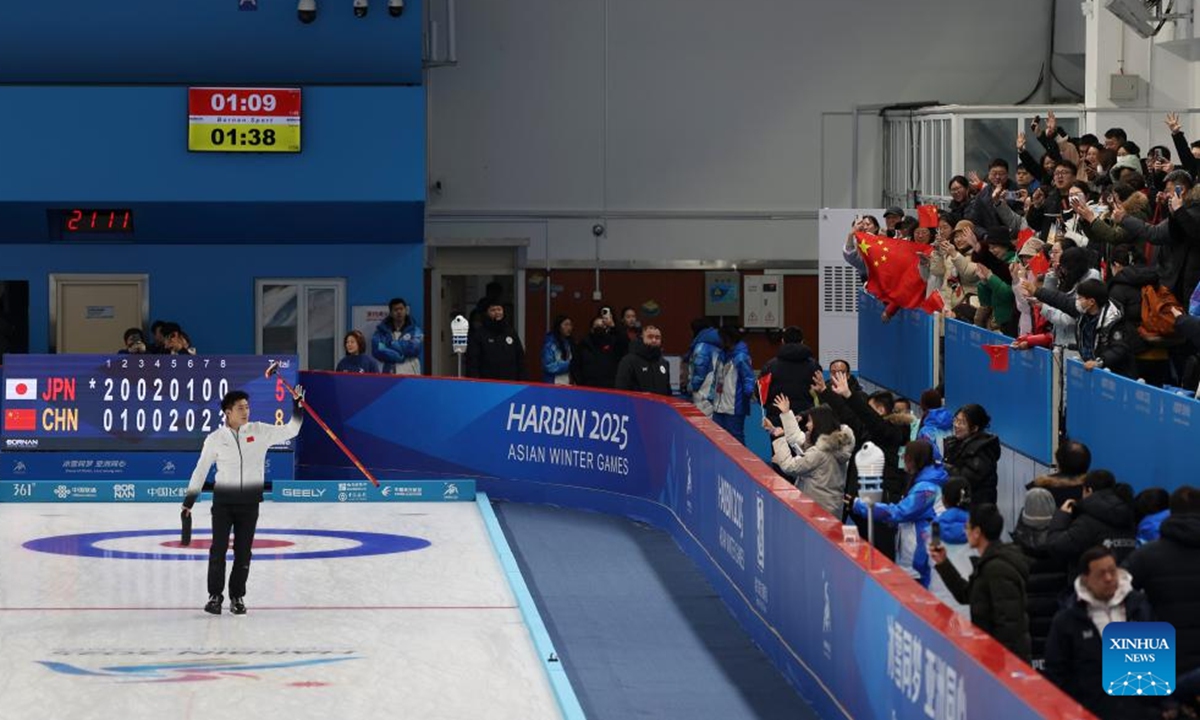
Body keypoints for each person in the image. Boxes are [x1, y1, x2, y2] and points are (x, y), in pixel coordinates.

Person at [183, 387, 304, 615]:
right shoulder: (215, 439)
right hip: (223, 504)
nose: (245, 411)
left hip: (249, 503)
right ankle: (215, 596)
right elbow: (201, 470)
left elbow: (292, 430)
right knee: (217, 551)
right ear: (228, 412)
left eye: (247, 407)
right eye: (240, 408)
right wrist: (189, 499)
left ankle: (237, 596)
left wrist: (297, 407)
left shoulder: (259, 431)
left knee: (243, 552)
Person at [1044, 546, 1152, 720]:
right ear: (1086, 579)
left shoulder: (1138, 608)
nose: (1108, 578)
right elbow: (1057, 672)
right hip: (1089, 711)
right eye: (1101, 574)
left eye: (1112, 571)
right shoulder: (1068, 619)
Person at [930, 503, 1033, 661]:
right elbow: (965, 595)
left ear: (977, 532)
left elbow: (1008, 624)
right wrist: (943, 563)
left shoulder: (997, 568)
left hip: (1003, 665)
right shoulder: (986, 563)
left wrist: (995, 664)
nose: (965, 531)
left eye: (967, 527)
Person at [766, 398, 854, 519]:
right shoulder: (835, 447)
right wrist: (785, 415)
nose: (807, 425)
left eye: (810, 421)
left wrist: (780, 437)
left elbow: (790, 466)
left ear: (819, 424)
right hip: (831, 510)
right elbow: (798, 439)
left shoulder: (819, 452)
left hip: (816, 514)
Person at [942, 404, 1000, 506]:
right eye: (956, 420)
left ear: (974, 428)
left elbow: (966, 480)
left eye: (962, 423)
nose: (956, 425)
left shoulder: (983, 450)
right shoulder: (958, 442)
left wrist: (944, 467)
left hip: (977, 511)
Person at [760, 326, 820, 424]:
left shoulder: (770, 366)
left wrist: (770, 407)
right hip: (805, 416)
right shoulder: (813, 365)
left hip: (777, 416)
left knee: (780, 439)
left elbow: (760, 392)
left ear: (783, 341)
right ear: (802, 341)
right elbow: (819, 391)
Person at [465, 301, 525, 380]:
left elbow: (520, 357)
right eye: (493, 310)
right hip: (487, 382)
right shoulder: (480, 334)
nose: (497, 312)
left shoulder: (510, 332)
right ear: (487, 313)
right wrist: (474, 379)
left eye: (499, 309)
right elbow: (473, 360)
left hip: (510, 382)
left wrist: (522, 378)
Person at [371, 298, 423, 375]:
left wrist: (391, 344)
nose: (399, 312)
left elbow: (414, 348)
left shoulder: (415, 330)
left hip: (410, 372)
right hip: (389, 371)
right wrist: (397, 356)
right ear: (391, 313)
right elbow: (378, 350)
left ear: (406, 310)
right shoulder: (381, 331)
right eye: (395, 310)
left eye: (401, 309)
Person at [615, 325, 671, 395]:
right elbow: (621, 390)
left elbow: (668, 392)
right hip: (636, 404)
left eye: (657, 338)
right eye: (650, 337)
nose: (654, 340)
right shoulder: (628, 361)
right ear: (642, 338)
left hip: (659, 405)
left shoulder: (664, 363)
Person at [541, 315, 574, 385]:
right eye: (566, 324)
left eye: (570, 325)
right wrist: (569, 364)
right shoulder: (550, 344)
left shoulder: (569, 343)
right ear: (558, 326)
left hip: (567, 382)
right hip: (553, 383)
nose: (569, 328)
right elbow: (548, 366)